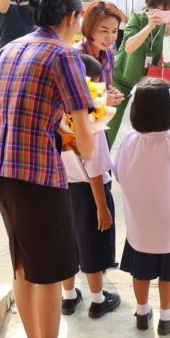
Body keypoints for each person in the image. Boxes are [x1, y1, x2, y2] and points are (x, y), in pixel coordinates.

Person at [0, 0, 95, 338]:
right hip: (39, 175)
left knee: (24, 262)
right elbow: (86, 140)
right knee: (52, 269)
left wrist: (40, 128)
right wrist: (70, 139)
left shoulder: (8, 50)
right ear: (71, 18)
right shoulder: (64, 55)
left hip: (1, 171)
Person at [114, 77, 170, 335]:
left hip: (139, 224)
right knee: (168, 273)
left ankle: (142, 312)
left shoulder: (129, 140)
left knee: (140, 270)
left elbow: (119, 173)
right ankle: (167, 318)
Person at [59, 55, 121, 319]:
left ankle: (69, 297)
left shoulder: (55, 112)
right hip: (87, 193)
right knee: (92, 243)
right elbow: (95, 171)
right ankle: (98, 300)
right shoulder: (91, 121)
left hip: (60, 189)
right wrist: (102, 207)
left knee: (66, 244)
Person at [107, 0, 170, 147]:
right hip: (123, 79)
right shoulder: (138, 18)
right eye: (155, 8)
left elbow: (169, 62)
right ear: (149, 5)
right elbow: (129, 47)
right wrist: (149, 26)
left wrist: (169, 34)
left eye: (164, 9)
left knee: (148, 130)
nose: (158, 13)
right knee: (109, 127)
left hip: (148, 86)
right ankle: (102, 169)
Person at [73, 1, 126, 109]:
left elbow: (105, 87)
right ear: (90, 27)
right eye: (104, 31)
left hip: (99, 118)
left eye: (114, 31)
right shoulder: (75, 56)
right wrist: (102, 99)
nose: (110, 37)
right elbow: (71, 98)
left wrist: (111, 92)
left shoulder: (109, 53)